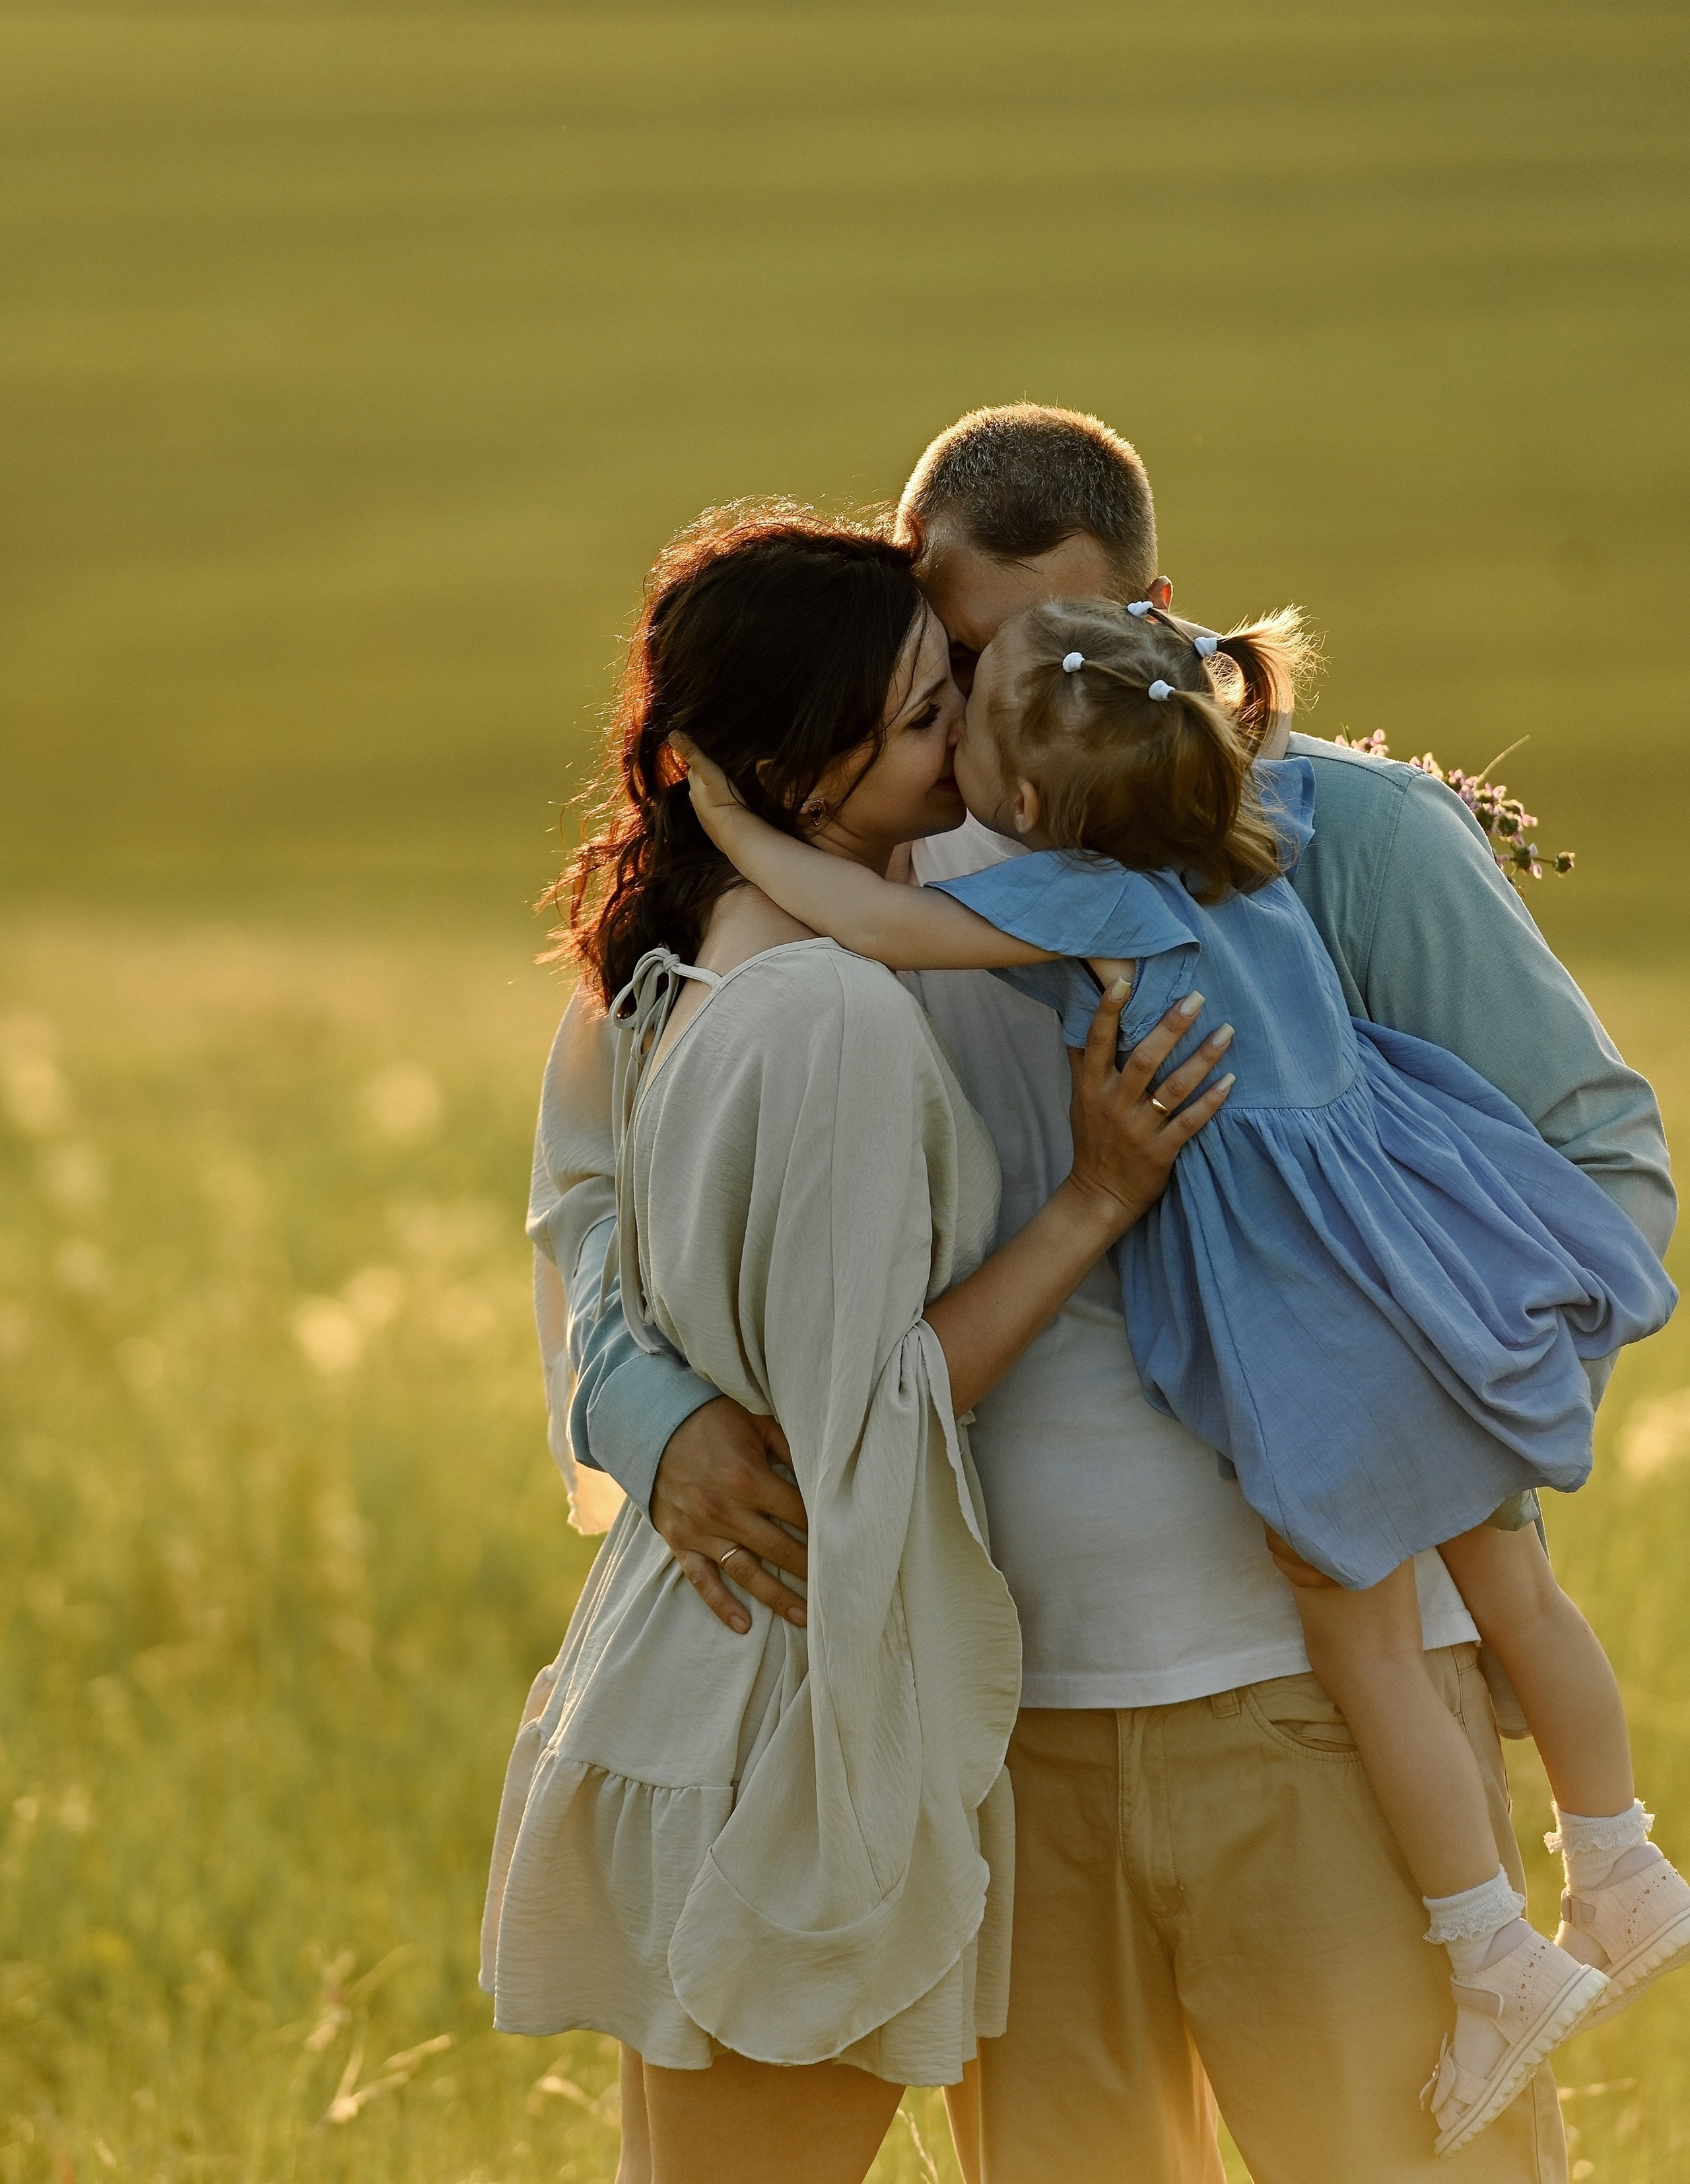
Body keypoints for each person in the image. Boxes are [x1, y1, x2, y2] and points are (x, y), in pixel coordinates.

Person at [539, 407, 1677, 2183]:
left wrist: (1436, 1432)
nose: (994, 723)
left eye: (1032, 659)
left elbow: (1602, 1159)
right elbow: (614, 1208)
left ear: (1155, 620)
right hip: (1006, 1725)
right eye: (954, 664)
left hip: (1319, 1703)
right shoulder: (847, 877)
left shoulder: (1343, 832)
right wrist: (656, 1419)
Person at [482, 506, 1234, 2184]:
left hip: (731, 1676)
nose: (968, 740)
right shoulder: (819, 1002)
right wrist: (1091, 1202)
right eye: (920, 714)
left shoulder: (696, 951)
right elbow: (855, 1411)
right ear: (779, 766)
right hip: (792, 1699)